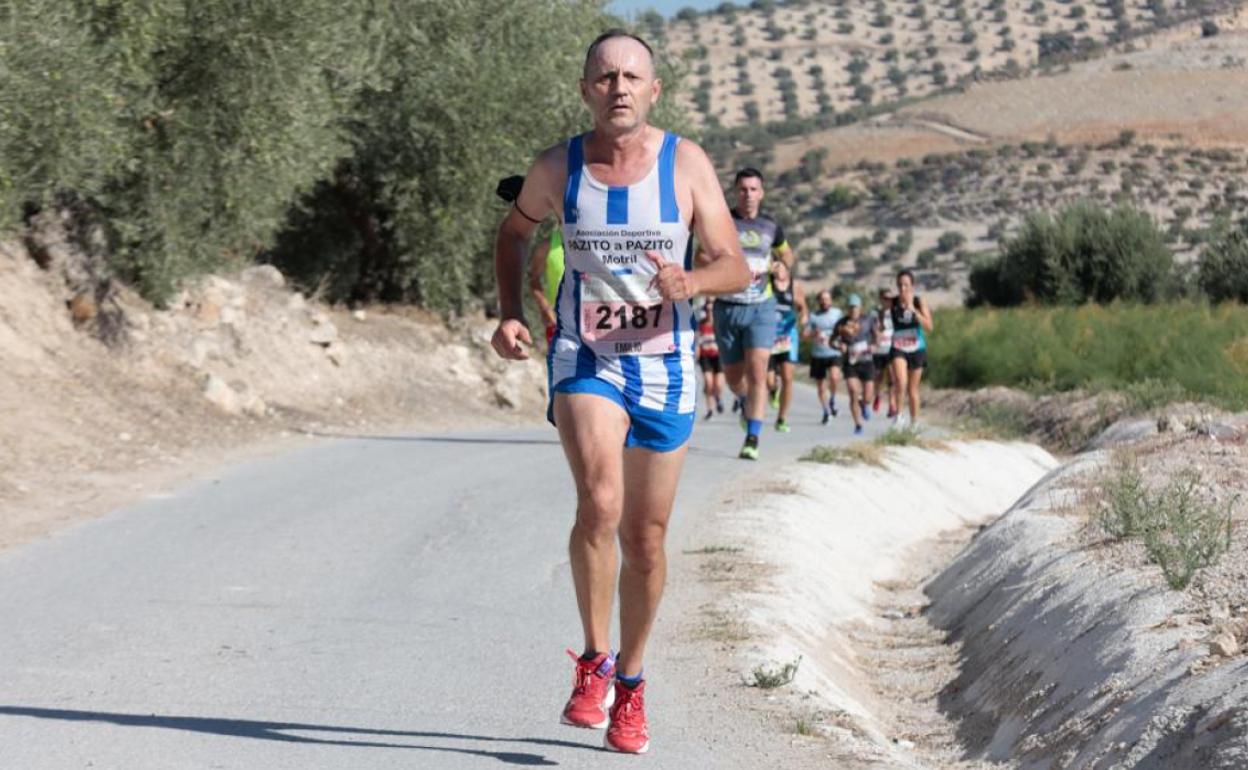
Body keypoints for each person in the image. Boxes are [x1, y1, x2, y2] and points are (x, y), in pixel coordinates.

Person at [490, 30, 749, 755]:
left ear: (654, 90)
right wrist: (511, 313)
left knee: (646, 538)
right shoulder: (557, 167)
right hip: (586, 354)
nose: (619, 89)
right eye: (605, 78)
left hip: (664, 364)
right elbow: (513, 237)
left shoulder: (686, 165)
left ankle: (632, 685)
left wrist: (692, 282)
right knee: (601, 501)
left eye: (633, 77)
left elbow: (735, 265)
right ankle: (594, 662)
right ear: (585, 91)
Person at [700, 168, 795, 460]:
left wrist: (782, 267)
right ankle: (743, 400)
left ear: (762, 193)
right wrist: (718, 264)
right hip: (728, 307)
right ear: (735, 192)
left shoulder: (771, 227)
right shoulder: (722, 222)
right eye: (743, 189)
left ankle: (752, 436)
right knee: (733, 377)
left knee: (758, 370)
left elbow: (787, 254)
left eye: (754, 189)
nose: (748, 195)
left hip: (761, 307)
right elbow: (700, 256)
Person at [888, 269, 934, 427]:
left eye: (906, 285)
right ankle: (899, 416)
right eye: (899, 285)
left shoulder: (919, 302)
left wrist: (915, 312)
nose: (902, 289)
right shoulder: (892, 302)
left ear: (912, 286)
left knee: (913, 389)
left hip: (917, 347)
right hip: (899, 346)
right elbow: (880, 303)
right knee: (900, 382)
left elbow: (929, 327)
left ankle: (914, 423)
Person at [765, 260, 806, 432]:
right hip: (768, 335)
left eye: (781, 266)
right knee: (769, 380)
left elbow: (803, 307)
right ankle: (773, 390)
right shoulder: (766, 283)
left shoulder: (795, 285)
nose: (779, 269)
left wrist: (803, 316)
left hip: (788, 336)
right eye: (775, 266)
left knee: (788, 378)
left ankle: (781, 418)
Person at [840, 294, 878, 435]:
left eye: (855, 307)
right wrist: (839, 345)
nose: (852, 310)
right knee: (853, 392)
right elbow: (833, 340)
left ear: (860, 308)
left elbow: (876, 336)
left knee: (868, 396)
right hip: (850, 362)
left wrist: (875, 345)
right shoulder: (841, 323)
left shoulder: (868, 320)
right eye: (850, 307)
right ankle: (858, 424)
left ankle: (864, 404)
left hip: (866, 360)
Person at [803, 289, 843, 424]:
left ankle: (832, 399)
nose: (825, 302)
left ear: (831, 300)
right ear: (819, 301)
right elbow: (805, 335)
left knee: (834, 377)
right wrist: (814, 333)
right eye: (822, 299)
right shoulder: (813, 316)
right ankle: (826, 412)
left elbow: (845, 328)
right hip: (818, 355)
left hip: (834, 352)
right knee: (820, 387)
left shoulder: (837, 314)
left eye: (827, 299)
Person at [528, 228, 566, 345]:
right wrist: (544, 307)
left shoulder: (602, 245)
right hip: (557, 323)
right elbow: (533, 278)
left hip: (594, 324)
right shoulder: (547, 246)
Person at [872, 286, 898, 418]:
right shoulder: (876, 313)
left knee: (892, 378)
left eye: (891, 298)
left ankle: (892, 405)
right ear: (881, 299)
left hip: (892, 349)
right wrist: (877, 332)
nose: (888, 300)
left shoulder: (896, 312)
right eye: (885, 298)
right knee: (878, 378)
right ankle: (877, 395)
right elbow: (873, 329)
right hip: (879, 350)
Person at [696, 298, 724, 419]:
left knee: (718, 385)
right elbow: (697, 341)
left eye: (712, 309)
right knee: (708, 383)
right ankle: (710, 409)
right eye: (708, 309)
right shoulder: (700, 324)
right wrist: (697, 355)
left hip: (719, 356)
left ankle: (718, 397)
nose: (709, 312)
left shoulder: (720, 322)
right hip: (705, 355)